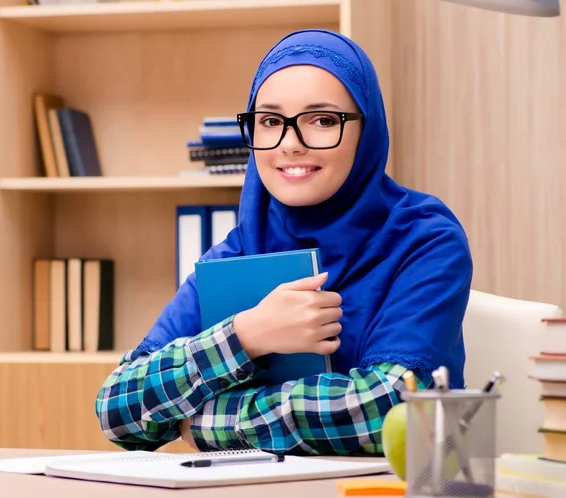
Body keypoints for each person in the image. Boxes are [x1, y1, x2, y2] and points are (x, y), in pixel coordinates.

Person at [95, 29, 473, 456]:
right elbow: (117, 410)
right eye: (271, 122)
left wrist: (203, 422)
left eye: (323, 120)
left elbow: (386, 410)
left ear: (367, 129)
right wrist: (246, 334)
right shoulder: (240, 250)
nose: (290, 144)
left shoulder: (424, 240)